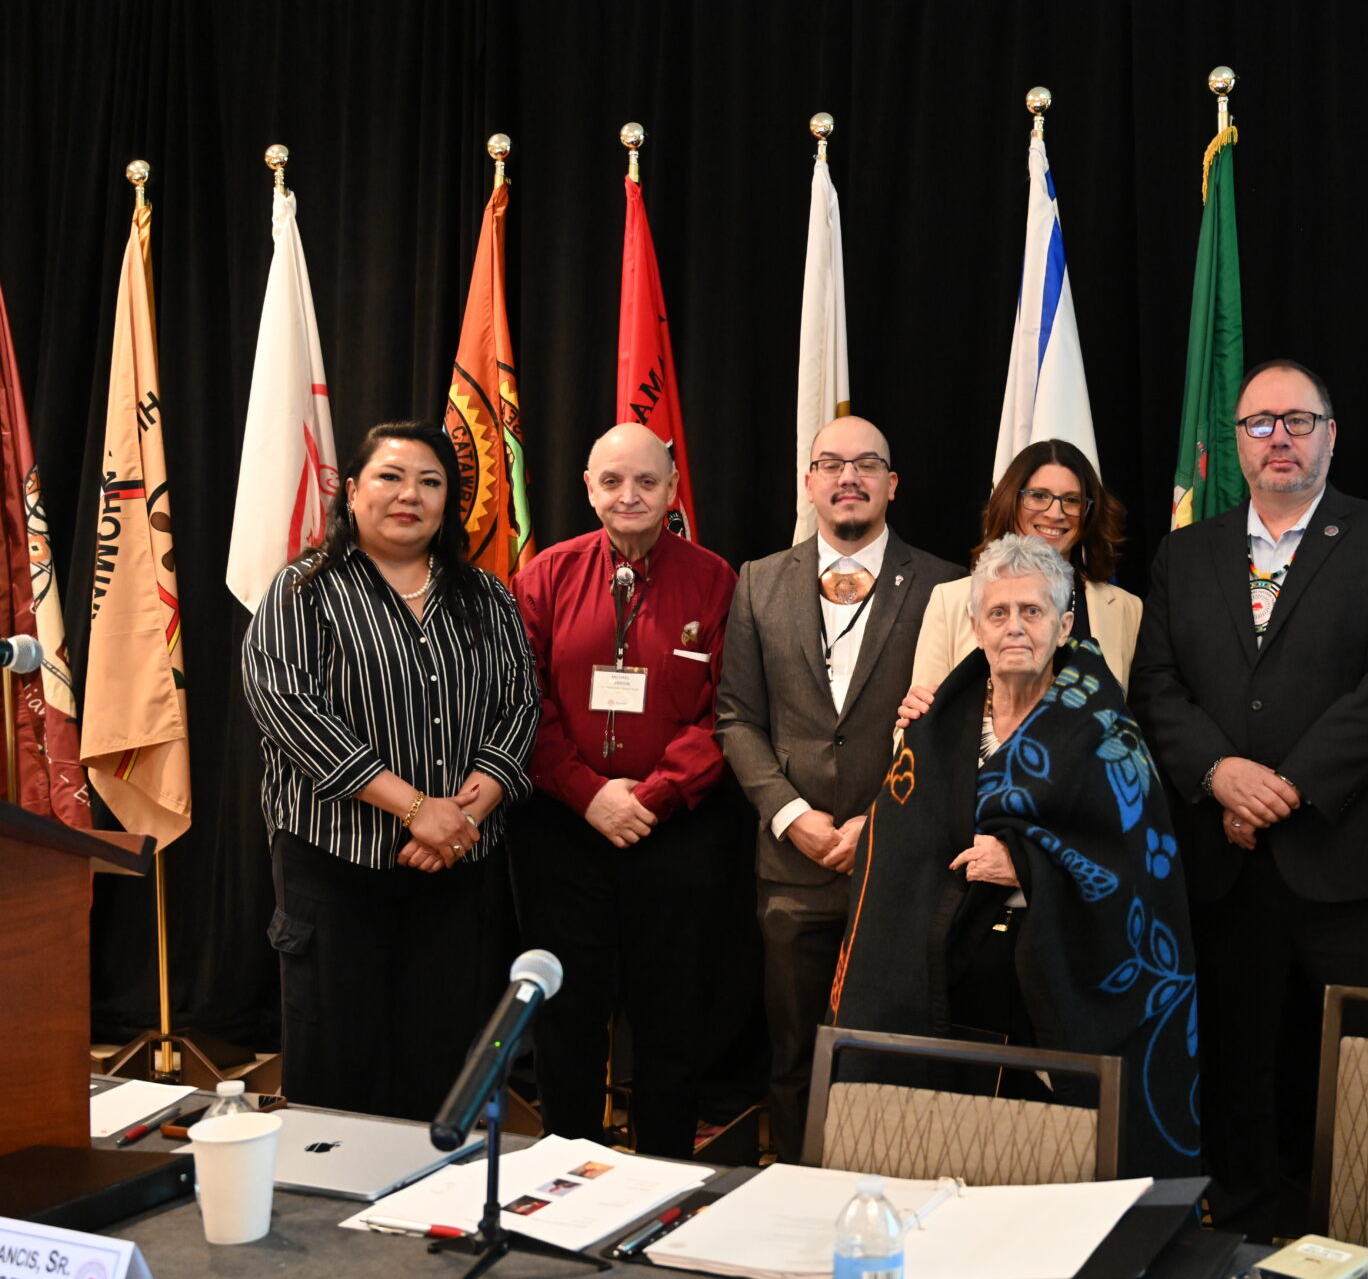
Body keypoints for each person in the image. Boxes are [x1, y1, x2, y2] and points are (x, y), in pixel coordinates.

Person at [1131, 358, 1368, 1239]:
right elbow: (1156, 686)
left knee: (1366, 1070)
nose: (1279, 438)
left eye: (1298, 421)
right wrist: (1219, 774)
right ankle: (1243, 1233)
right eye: (1259, 423)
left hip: (1352, 864)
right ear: (1236, 441)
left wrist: (1289, 786)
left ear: (1331, 435)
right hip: (1225, 866)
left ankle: (1365, 1235)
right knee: (1239, 1068)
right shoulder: (1185, 551)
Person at [832, 534, 1200, 1177]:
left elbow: (1139, 869)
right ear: (975, 626)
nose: (1015, 627)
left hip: (1056, 979)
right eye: (998, 613)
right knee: (945, 1154)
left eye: (1033, 611)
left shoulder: (1106, 734)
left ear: (1064, 625)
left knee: (1038, 1161)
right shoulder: (936, 722)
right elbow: (899, 845)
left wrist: (1026, 865)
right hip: (946, 976)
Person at [242, 420, 539, 1121]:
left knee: (443, 1064)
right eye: (390, 477)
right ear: (351, 491)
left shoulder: (486, 596)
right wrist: (416, 809)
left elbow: (522, 704)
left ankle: (434, 1185)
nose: (410, 495)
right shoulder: (302, 590)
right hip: (335, 867)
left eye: (430, 482)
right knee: (336, 1064)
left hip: (458, 869)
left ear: (448, 502)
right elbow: (287, 709)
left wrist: (464, 813)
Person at [715, 415, 963, 1161]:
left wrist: (879, 822)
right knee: (794, 1057)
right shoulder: (759, 580)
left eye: (866, 464)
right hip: (792, 865)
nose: (848, 477)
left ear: (893, 483)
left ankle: (888, 1195)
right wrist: (790, 814)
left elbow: (955, 729)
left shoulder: (945, 585)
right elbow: (736, 716)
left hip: (898, 865)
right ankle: (797, 1190)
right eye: (831, 463)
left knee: (891, 1056)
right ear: (809, 482)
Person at [507, 424, 740, 1156]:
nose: (628, 495)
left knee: (671, 1023)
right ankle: (564, 1172)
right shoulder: (544, 576)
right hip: (563, 834)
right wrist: (588, 795)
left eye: (645, 481)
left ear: (672, 490)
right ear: (589, 488)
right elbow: (522, 703)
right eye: (612, 481)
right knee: (567, 1019)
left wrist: (652, 798)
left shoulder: (715, 580)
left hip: (673, 836)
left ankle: (663, 1181)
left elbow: (726, 712)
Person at [902, 439, 1141, 714]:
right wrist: (914, 721)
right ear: (1011, 501)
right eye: (1038, 496)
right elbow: (916, 724)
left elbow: (1135, 724)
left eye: (1072, 500)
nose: (1055, 513)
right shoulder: (950, 601)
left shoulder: (1126, 609)